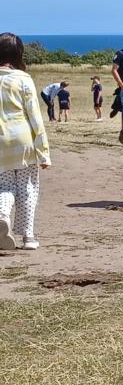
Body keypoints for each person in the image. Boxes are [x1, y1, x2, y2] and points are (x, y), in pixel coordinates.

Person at [0, 33, 50, 250]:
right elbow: (35, 117)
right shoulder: (22, 78)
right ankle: (28, 237)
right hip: (23, 139)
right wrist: (44, 152)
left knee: (5, 186)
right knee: (28, 187)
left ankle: (2, 215)